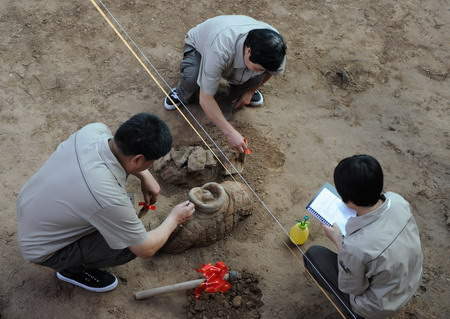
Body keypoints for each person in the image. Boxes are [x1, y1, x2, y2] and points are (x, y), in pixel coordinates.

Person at [16, 113, 195, 292]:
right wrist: (175, 218)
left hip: (31, 210)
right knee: (128, 245)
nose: (150, 165)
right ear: (138, 159)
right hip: (44, 249)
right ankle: (70, 270)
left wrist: (144, 175)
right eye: (150, 161)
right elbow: (145, 249)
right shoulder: (107, 197)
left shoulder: (94, 130)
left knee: (120, 215)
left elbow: (119, 159)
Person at [303, 155, 423, 319]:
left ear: (349, 200)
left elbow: (353, 288)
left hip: (377, 306)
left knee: (313, 255)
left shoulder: (356, 247)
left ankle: (356, 314)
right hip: (410, 280)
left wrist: (339, 241)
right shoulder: (397, 200)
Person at [164, 15, 287, 153]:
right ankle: (182, 92)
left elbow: (270, 72)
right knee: (192, 81)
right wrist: (230, 133)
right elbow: (205, 99)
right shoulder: (220, 48)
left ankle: (245, 87)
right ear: (248, 50)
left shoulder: (276, 49)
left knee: (254, 79)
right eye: (260, 68)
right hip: (201, 47)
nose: (263, 71)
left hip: (233, 56)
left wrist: (251, 91)